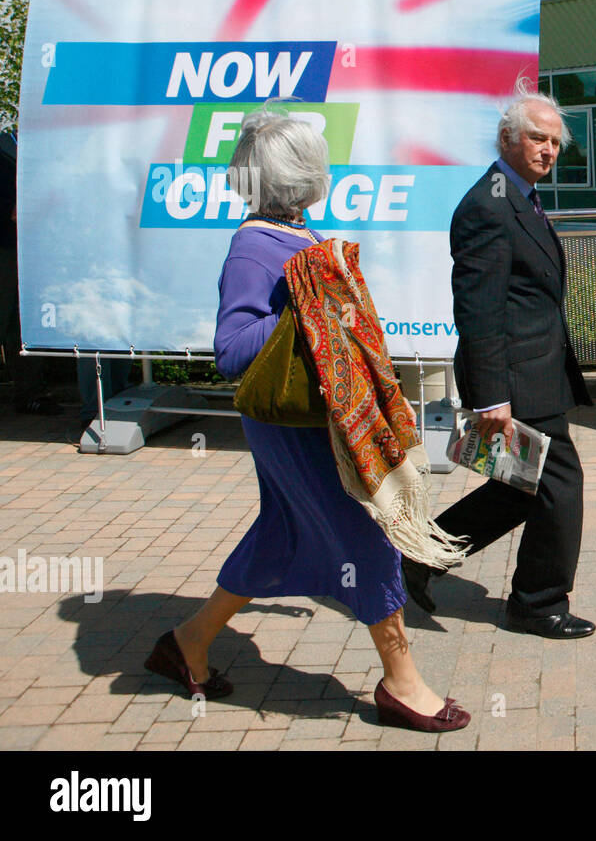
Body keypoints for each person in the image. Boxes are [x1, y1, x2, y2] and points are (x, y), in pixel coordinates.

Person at [143, 111, 469, 734]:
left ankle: (186, 642)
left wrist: (316, 294)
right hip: (293, 425)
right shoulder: (254, 243)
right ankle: (402, 683)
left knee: (281, 534)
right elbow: (233, 349)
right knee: (369, 534)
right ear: (298, 172)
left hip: (318, 420)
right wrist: (311, 297)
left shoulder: (295, 234)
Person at [403, 84, 595, 639]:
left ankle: (417, 556)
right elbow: (478, 310)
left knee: (521, 486)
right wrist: (491, 396)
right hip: (513, 378)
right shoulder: (488, 205)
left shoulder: (518, 196)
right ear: (508, 138)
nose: (549, 150)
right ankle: (537, 604)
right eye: (538, 137)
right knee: (561, 485)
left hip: (535, 371)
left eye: (556, 142)